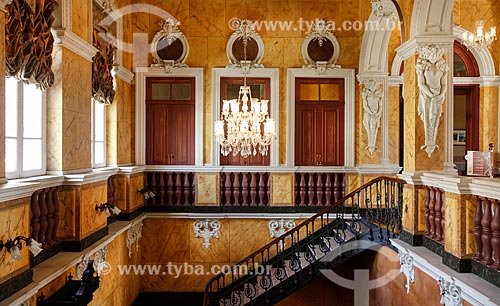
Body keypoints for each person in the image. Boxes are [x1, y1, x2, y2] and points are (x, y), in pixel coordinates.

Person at [416, 45, 449, 156]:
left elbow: (444, 84)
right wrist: (430, 94)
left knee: (435, 116)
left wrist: (441, 94)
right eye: (431, 53)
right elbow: (420, 84)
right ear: (427, 54)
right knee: (427, 117)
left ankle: (431, 141)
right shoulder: (422, 66)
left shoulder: (442, 66)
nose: (434, 55)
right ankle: (429, 140)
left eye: (436, 53)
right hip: (427, 96)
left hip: (438, 96)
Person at [362, 79, 383, 154]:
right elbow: (365, 105)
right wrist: (371, 112)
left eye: (375, 83)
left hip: (376, 114)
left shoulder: (380, 93)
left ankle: (372, 144)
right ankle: (371, 144)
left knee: (374, 127)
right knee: (370, 127)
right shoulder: (365, 93)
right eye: (372, 84)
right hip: (369, 113)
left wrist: (378, 113)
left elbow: (381, 105)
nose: (373, 85)